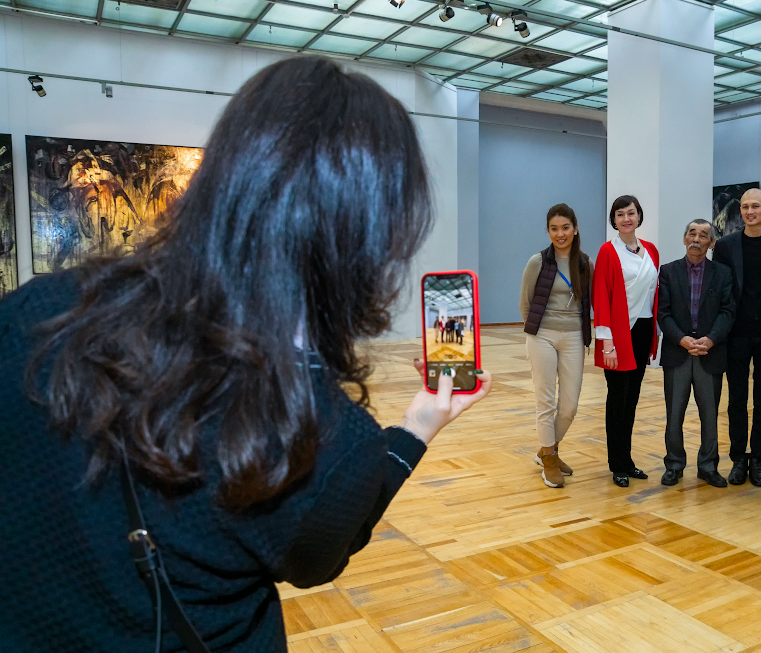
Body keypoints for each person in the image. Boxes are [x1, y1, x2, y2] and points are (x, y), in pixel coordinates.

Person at [0, 57, 492, 652]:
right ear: (365, 239)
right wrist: (413, 433)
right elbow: (319, 550)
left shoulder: (35, 312)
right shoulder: (316, 437)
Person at [713, 188, 761, 487]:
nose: (749, 211)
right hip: (737, 333)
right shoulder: (726, 246)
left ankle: (758, 459)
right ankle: (738, 459)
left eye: (756, 206)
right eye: (744, 207)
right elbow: (719, 291)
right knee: (737, 400)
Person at [657, 220, 736, 488]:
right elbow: (663, 313)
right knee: (674, 413)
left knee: (710, 415)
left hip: (709, 353)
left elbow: (728, 312)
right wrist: (681, 339)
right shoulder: (667, 272)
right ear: (684, 238)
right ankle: (674, 464)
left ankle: (708, 466)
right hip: (677, 352)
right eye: (692, 233)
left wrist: (711, 340)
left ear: (711, 243)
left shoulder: (723, 274)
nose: (697, 238)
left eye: (704, 235)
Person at [520, 204, 593, 488]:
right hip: (543, 336)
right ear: (548, 232)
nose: (560, 234)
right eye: (554, 229)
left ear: (575, 229)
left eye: (565, 228)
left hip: (574, 336)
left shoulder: (585, 263)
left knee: (569, 407)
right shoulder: (537, 262)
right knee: (545, 401)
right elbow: (525, 304)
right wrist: (537, 335)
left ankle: (547, 448)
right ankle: (550, 456)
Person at [593, 195, 660, 487]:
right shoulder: (608, 251)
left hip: (643, 330)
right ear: (614, 220)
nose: (626, 219)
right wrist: (606, 343)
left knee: (631, 400)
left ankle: (628, 459)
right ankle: (616, 463)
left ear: (639, 215)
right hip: (618, 334)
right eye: (620, 214)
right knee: (617, 399)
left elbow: (654, 295)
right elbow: (601, 298)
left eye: (631, 213)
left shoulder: (651, 251)